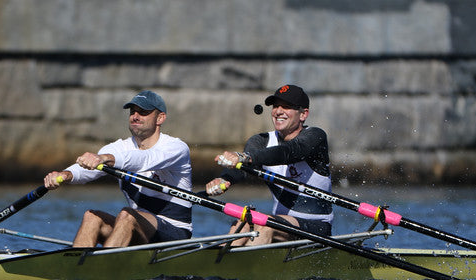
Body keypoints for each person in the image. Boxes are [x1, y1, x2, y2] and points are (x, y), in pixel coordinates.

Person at [43, 90, 192, 248]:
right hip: (137, 229)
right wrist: (64, 175)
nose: (135, 116)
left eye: (143, 112)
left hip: (175, 234)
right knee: (91, 217)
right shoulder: (119, 147)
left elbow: (144, 159)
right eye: (132, 112)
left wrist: (105, 159)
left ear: (160, 118)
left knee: (127, 215)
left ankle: (102, 267)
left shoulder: (176, 148)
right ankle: (75, 266)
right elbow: (89, 170)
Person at [205, 84, 333, 246]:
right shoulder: (260, 141)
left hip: (317, 227)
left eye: (286, 107)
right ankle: (218, 264)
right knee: (242, 223)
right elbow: (246, 170)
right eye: (275, 106)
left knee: (265, 225)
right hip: (281, 223)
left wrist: (244, 157)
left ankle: (251, 268)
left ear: (303, 114)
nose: (278, 111)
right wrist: (224, 180)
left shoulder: (315, 137)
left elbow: (289, 152)